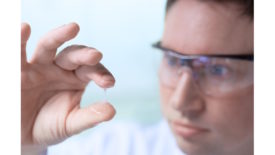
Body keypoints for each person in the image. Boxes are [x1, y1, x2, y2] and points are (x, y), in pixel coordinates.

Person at [21, 0, 254, 154]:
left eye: (217, 70)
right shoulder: (120, 148)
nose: (179, 102)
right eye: (172, 60)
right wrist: (25, 145)